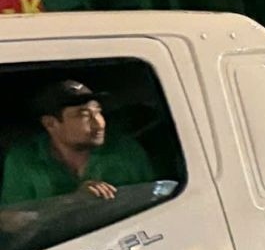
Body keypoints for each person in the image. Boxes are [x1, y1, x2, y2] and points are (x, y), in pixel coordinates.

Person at [1, 80, 155, 204]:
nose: (99, 124)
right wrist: (73, 202)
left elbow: (154, 202)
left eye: (98, 112)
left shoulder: (125, 150)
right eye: (84, 115)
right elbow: (11, 220)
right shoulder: (24, 158)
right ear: (50, 123)